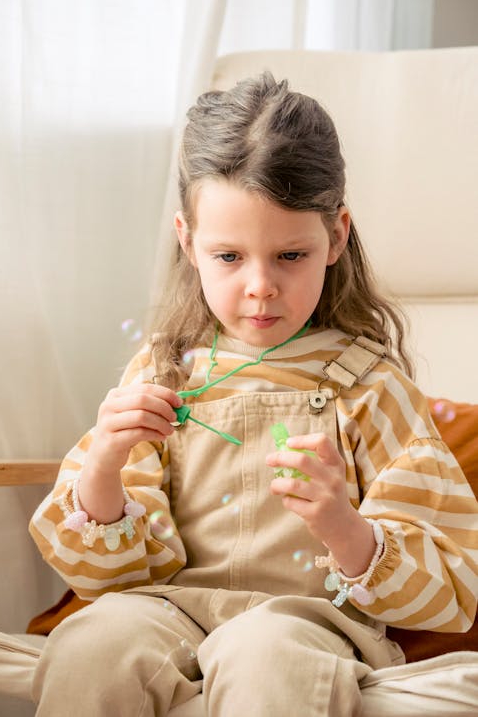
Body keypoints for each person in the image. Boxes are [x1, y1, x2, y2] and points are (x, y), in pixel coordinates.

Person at [29, 71, 478, 717]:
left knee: (264, 653)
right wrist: (104, 463)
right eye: (229, 257)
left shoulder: (371, 388)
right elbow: (107, 579)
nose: (261, 286)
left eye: (290, 255)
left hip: (305, 622)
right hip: (164, 606)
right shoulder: (163, 371)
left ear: (337, 237)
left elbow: (448, 589)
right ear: (188, 243)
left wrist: (342, 526)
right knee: (94, 643)